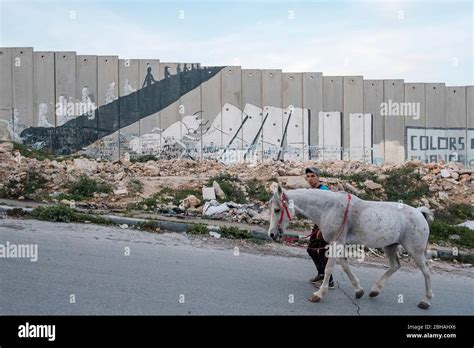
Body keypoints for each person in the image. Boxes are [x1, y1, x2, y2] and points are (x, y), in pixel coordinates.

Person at [305, 166, 335, 289]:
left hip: (326, 225)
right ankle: (321, 273)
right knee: (311, 249)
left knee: (323, 252)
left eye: (313, 176)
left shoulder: (324, 191)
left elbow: (329, 211)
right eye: (308, 176)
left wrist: (322, 229)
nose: (310, 179)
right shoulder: (311, 191)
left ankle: (330, 281)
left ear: (318, 177)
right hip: (318, 224)